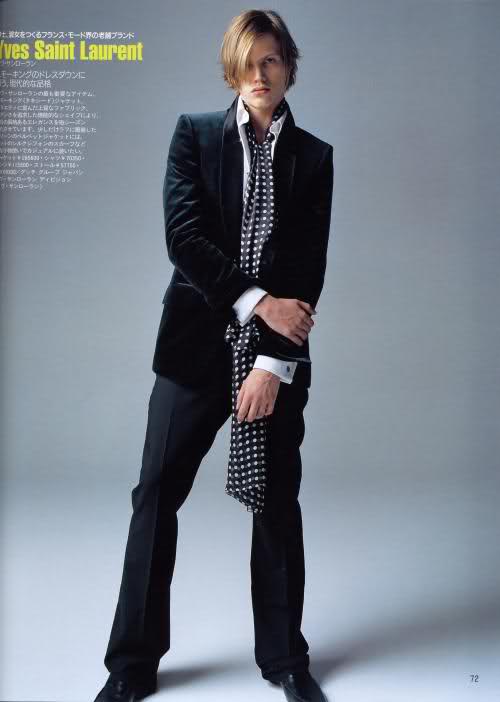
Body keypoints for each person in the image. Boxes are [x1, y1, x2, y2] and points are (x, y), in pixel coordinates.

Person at [93, 9, 334, 702]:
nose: (261, 75)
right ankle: (131, 666)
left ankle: (286, 660)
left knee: (277, 503)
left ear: (289, 67)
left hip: (274, 358)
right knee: (155, 495)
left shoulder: (314, 157)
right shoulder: (194, 136)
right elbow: (185, 240)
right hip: (194, 348)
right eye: (249, 62)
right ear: (232, 69)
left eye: (273, 60)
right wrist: (258, 303)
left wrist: (270, 364)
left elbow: (305, 267)